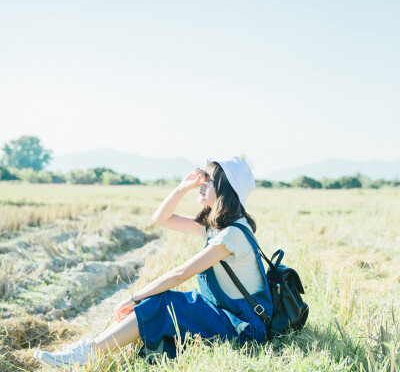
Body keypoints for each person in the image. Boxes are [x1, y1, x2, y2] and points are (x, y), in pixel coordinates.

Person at [33, 156, 273, 368]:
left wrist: (134, 297)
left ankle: (89, 353)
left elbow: (181, 273)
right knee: (164, 303)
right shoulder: (217, 226)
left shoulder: (232, 234)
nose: (203, 183)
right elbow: (161, 218)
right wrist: (183, 187)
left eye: (210, 180)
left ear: (226, 190)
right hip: (224, 312)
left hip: (245, 326)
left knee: (163, 302)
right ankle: (89, 350)